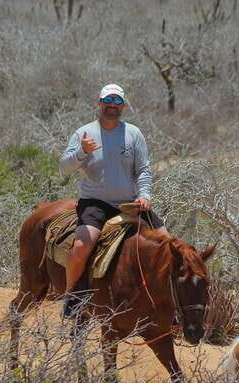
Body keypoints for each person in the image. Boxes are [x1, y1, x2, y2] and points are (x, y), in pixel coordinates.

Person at [58, 83, 169, 318]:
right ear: (99, 103)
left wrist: (145, 195)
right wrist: (82, 152)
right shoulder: (83, 133)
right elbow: (63, 168)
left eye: (117, 101)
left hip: (130, 202)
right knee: (81, 247)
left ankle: (170, 301)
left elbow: (144, 171)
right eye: (108, 101)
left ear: (123, 106)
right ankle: (71, 297)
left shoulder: (133, 133)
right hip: (95, 202)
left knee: (168, 244)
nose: (112, 106)